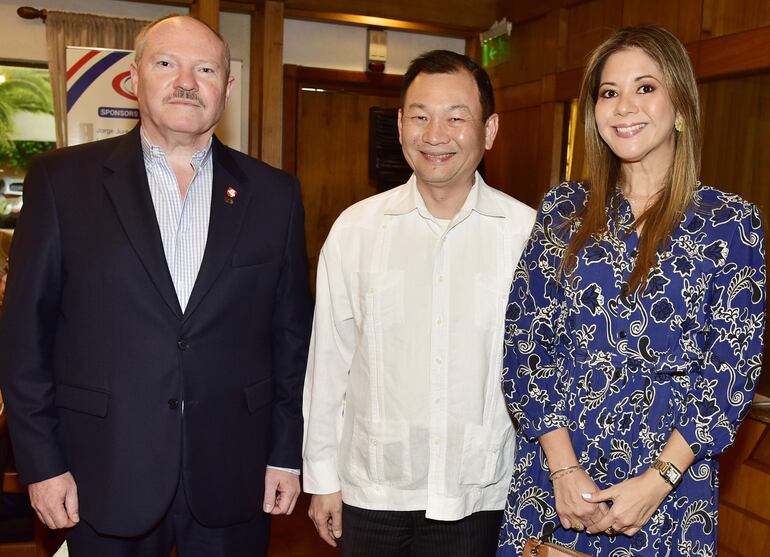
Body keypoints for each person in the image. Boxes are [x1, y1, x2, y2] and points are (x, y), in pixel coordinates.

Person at [0, 15, 312, 557]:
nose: (186, 81)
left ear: (227, 87)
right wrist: (43, 464)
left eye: (206, 68)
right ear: (135, 76)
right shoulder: (61, 182)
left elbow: (291, 340)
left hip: (232, 474)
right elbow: (25, 337)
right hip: (101, 472)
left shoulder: (275, 195)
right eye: (167, 63)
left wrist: (286, 453)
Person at [497, 24, 765, 556]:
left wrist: (657, 482)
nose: (625, 107)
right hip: (556, 485)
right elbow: (526, 345)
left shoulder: (729, 223)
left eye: (646, 88)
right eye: (609, 93)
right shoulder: (563, 210)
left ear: (681, 106)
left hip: (670, 497)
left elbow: (731, 369)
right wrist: (564, 469)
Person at [303, 50, 536, 556]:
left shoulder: (527, 235)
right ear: (401, 125)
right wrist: (321, 476)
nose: (436, 135)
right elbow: (330, 362)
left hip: (480, 492)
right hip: (373, 489)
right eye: (420, 116)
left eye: (456, 117)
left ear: (489, 130)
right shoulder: (356, 229)